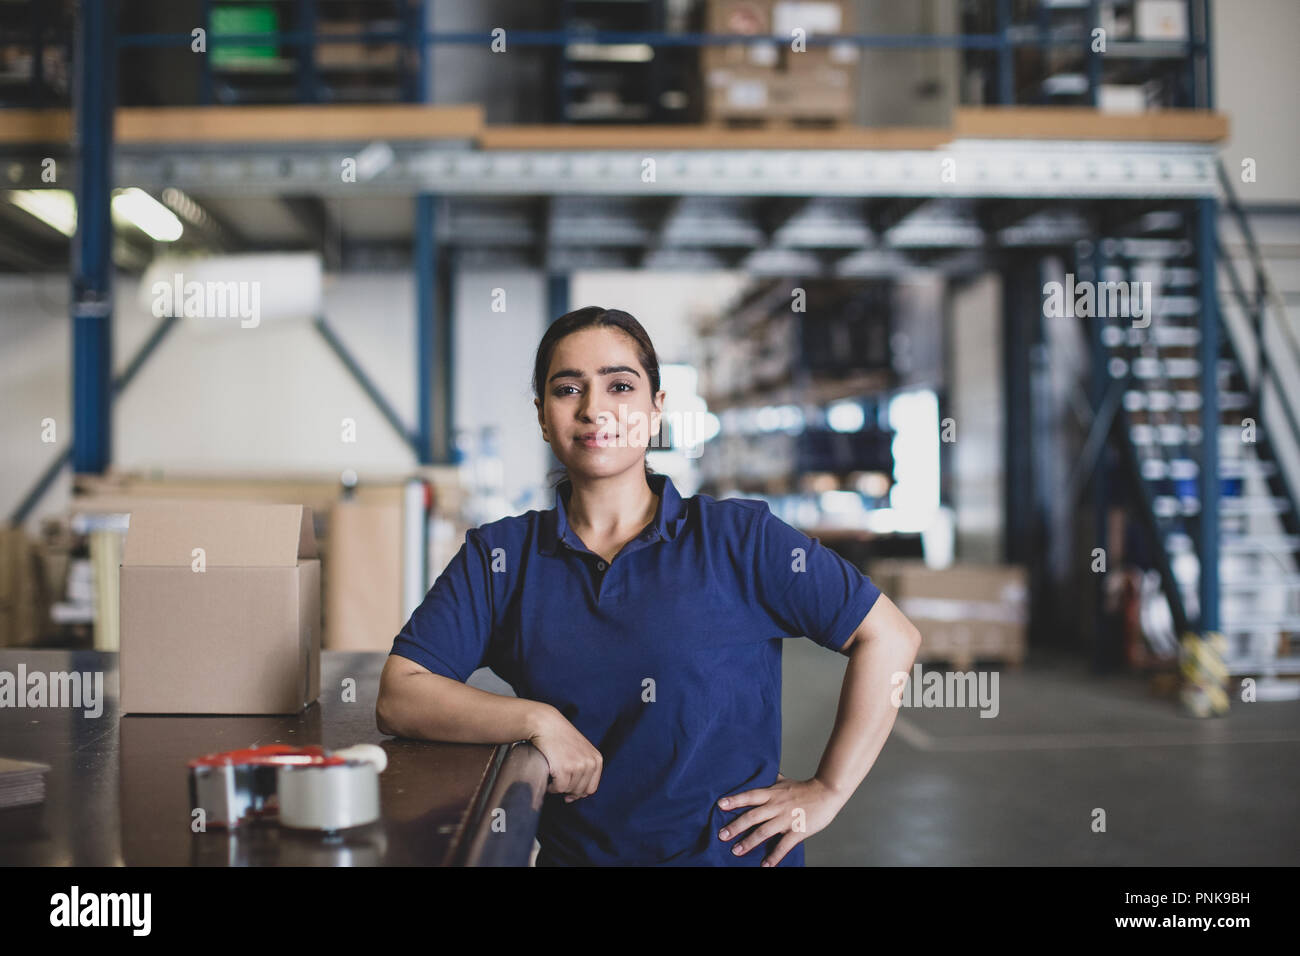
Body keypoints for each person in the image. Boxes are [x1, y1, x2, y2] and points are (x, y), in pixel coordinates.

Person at [377, 306, 922, 866]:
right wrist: (536, 720)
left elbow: (889, 636)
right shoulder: (501, 558)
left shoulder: (740, 539)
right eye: (568, 389)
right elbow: (402, 692)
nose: (595, 410)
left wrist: (828, 790)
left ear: (655, 409)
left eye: (619, 386)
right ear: (543, 416)